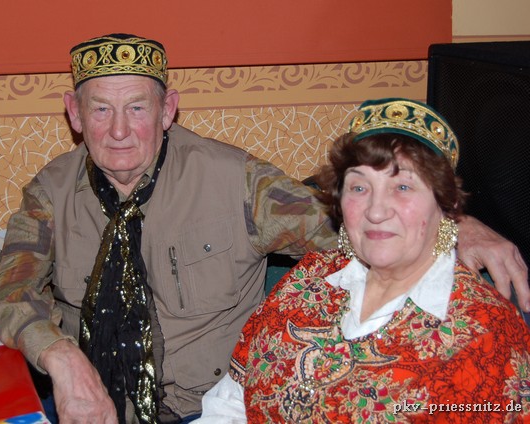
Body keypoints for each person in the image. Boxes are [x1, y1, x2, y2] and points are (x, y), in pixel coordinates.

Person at [0, 33, 529, 424]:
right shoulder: (50, 192)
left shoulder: (235, 182)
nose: (119, 131)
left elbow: (355, 218)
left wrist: (454, 220)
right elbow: (9, 290)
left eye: (138, 108)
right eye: (100, 110)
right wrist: (63, 360)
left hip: (200, 408)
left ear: (168, 110)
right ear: (74, 114)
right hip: (87, 406)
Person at [194, 98, 530, 423]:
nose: (376, 211)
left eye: (402, 186)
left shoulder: (484, 332)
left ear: (445, 204)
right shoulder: (306, 279)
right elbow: (231, 403)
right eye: (358, 188)